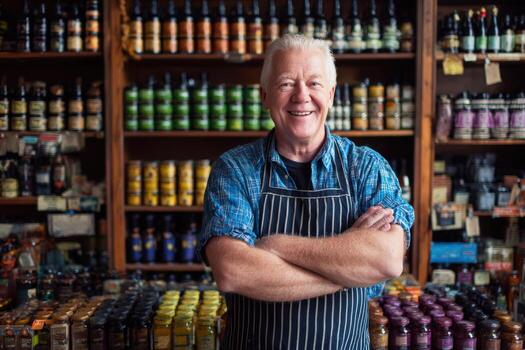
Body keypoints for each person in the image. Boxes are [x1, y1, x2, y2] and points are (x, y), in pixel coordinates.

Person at [199, 34, 414, 349]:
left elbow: (387, 260)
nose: (301, 96)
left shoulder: (365, 167)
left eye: (314, 83)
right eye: (286, 83)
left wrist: (276, 246)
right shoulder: (235, 170)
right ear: (265, 96)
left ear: (330, 94)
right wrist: (350, 272)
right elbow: (234, 271)